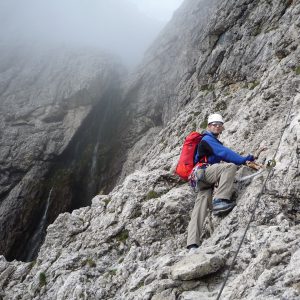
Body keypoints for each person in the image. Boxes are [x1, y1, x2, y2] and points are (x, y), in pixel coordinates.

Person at [187, 113, 254, 250]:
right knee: (229, 167)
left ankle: (192, 243)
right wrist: (245, 159)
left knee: (200, 206)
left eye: (219, 125)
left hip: (199, 178)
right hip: (203, 173)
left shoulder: (208, 140)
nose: (217, 127)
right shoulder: (207, 139)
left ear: (222, 127)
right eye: (214, 124)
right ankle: (220, 201)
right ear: (208, 126)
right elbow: (224, 153)